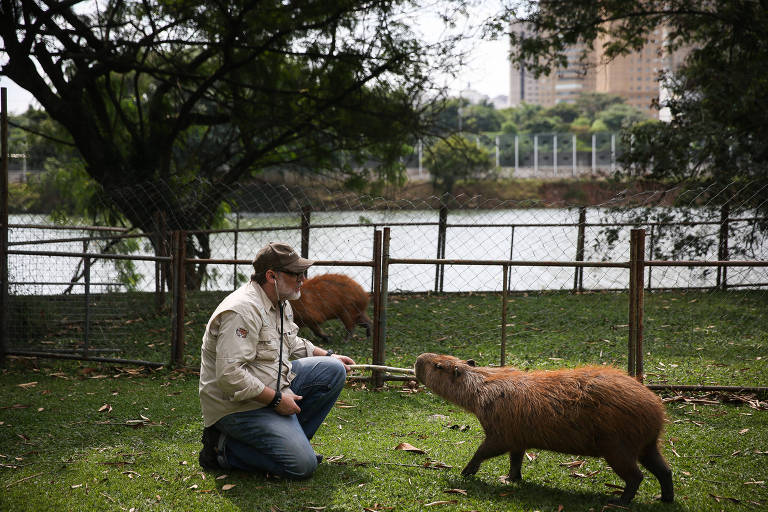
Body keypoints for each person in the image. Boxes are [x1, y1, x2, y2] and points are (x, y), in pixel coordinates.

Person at [198, 242, 355, 478]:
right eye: (296, 273)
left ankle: (288, 445)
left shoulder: (281, 302)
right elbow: (230, 375)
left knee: (332, 369)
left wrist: (328, 356)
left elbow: (290, 341)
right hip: (237, 406)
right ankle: (222, 449)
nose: (303, 278)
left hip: (272, 386)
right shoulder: (241, 310)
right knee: (303, 467)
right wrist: (276, 400)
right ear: (272, 276)